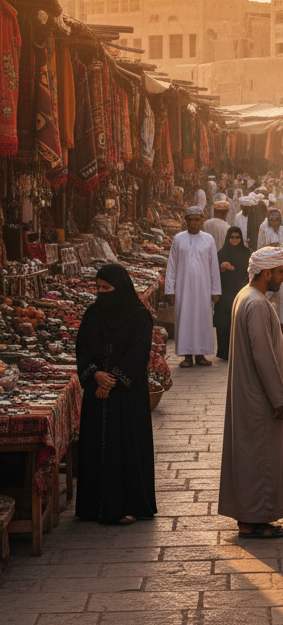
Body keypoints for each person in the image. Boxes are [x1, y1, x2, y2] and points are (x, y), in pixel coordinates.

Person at [218, 247, 283, 539]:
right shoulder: (257, 303)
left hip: (249, 393)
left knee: (251, 457)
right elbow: (263, 355)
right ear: (266, 273)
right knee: (261, 458)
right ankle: (256, 520)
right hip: (259, 398)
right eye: (280, 272)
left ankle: (250, 518)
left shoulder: (245, 296)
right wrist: (279, 399)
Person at [75, 264, 156, 525]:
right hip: (97, 392)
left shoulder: (139, 315)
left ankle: (127, 505)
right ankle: (93, 507)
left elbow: (138, 353)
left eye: (106, 288)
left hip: (127, 395)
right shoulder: (92, 313)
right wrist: (95, 374)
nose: (101, 293)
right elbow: (82, 347)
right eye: (98, 288)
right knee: (96, 446)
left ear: (119, 288)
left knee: (125, 447)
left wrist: (112, 380)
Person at [164, 206, 221, 368]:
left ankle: (201, 355)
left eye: (197, 219)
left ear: (202, 220)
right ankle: (187, 356)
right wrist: (170, 289)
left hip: (204, 289)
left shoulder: (209, 239)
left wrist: (216, 290)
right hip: (184, 288)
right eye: (191, 219)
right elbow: (172, 265)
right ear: (186, 220)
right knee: (186, 319)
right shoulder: (178, 239)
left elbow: (214, 267)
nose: (194, 222)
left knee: (203, 319)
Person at [213, 226, 251, 361]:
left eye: (237, 237)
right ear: (227, 238)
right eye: (232, 237)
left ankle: (241, 352)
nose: (235, 240)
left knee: (241, 322)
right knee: (224, 323)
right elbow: (213, 274)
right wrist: (221, 268)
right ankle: (225, 352)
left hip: (242, 291)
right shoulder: (221, 254)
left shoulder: (247, 253)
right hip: (225, 293)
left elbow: (252, 273)